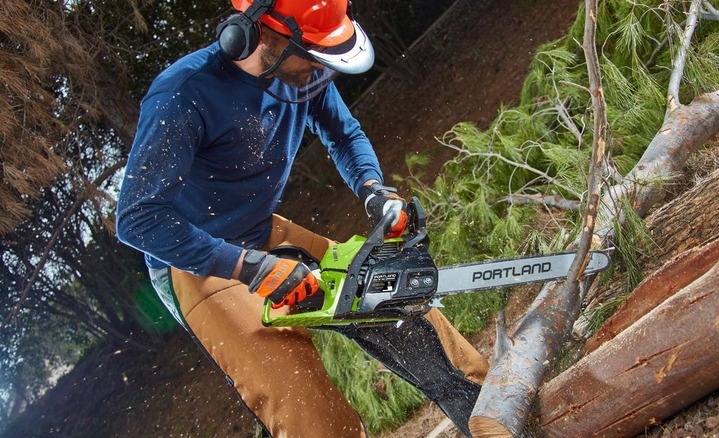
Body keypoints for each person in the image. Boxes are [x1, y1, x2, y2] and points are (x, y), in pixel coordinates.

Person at [116, 0, 489, 436]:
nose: (318, 70)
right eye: (311, 56)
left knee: (394, 301)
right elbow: (138, 219)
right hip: (196, 263)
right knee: (300, 398)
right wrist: (250, 268)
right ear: (258, 35)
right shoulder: (183, 94)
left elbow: (344, 133)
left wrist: (374, 192)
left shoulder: (301, 75)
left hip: (260, 229)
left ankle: (490, 411)